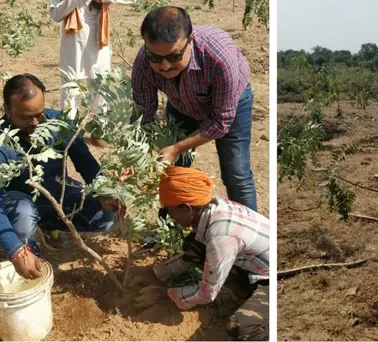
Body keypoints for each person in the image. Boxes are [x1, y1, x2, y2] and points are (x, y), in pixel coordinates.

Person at [131, 6, 257, 212]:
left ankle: (249, 235)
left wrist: (177, 147)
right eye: (155, 57)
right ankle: (171, 230)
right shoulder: (143, 62)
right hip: (182, 104)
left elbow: (220, 121)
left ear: (190, 40)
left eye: (173, 57)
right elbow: (143, 113)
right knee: (173, 170)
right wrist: (134, 154)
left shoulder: (219, 58)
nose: (164, 66)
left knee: (237, 174)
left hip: (233, 104)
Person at [0, 74, 122, 279]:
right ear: (7, 109)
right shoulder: (2, 141)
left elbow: (86, 163)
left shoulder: (60, 123)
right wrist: (14, 248)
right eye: (25, 117)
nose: (36, 123)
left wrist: (103, 190)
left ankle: (47, 226)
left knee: (105, 217)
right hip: (19, 202)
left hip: (56, 195)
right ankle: (28, 253)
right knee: (22, 215)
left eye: (39, 113)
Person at [134, 166, 269, 340]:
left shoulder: (221, 234)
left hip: (273, 279)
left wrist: (166, 294)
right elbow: (193, 254)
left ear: (187, 208)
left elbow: (207, 294)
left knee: (242, 327)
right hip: (254, 266)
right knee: (194, 245)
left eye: (170, 210)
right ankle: (239, 294)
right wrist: (155, 273)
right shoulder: (212, 208)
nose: (169, 216)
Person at [49, 0, 134, 147]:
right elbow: (56, 15)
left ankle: (99, 131)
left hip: (98, 40)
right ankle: (69, 133)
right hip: (72, 43)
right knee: (70, 88)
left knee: (100, 86)